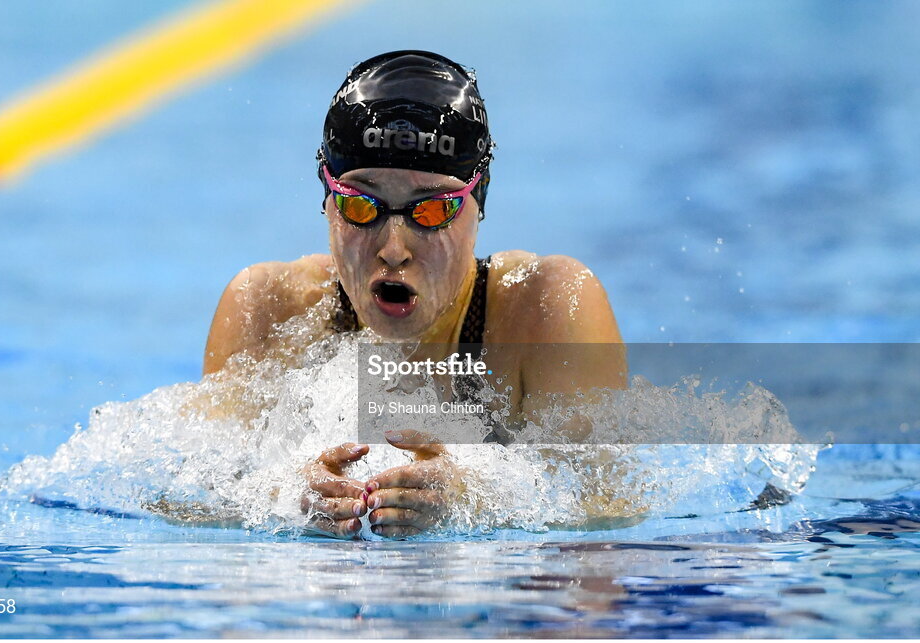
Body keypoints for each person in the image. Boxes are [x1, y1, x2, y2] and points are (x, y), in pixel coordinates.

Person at [203, 51, 627, 539]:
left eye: (431, 211)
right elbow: (192, 497)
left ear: (479, 200)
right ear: (326, 198)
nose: (394, 249)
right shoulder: (267, 310)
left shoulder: (544, 309)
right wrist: (280, 499)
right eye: (361, 206)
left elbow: (611, 509)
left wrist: (474, 497)